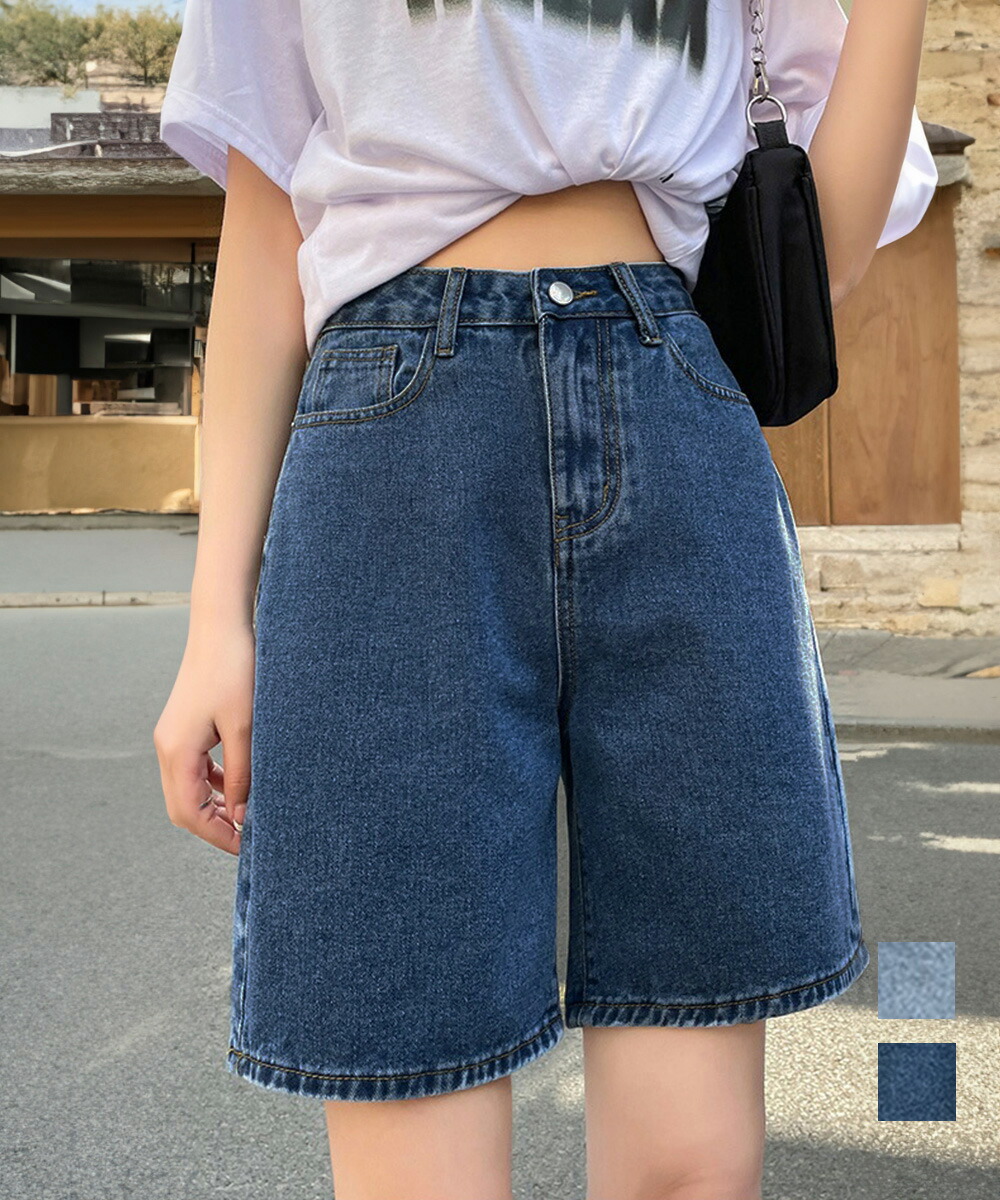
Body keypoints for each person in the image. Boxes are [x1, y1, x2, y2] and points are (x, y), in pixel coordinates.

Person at [153, 2, 936, 1197]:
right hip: (392, 435)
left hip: (671, 393)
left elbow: (820, 254)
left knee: (692, 1161)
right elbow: (265, 232)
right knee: (413, 1113)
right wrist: (217, 616)